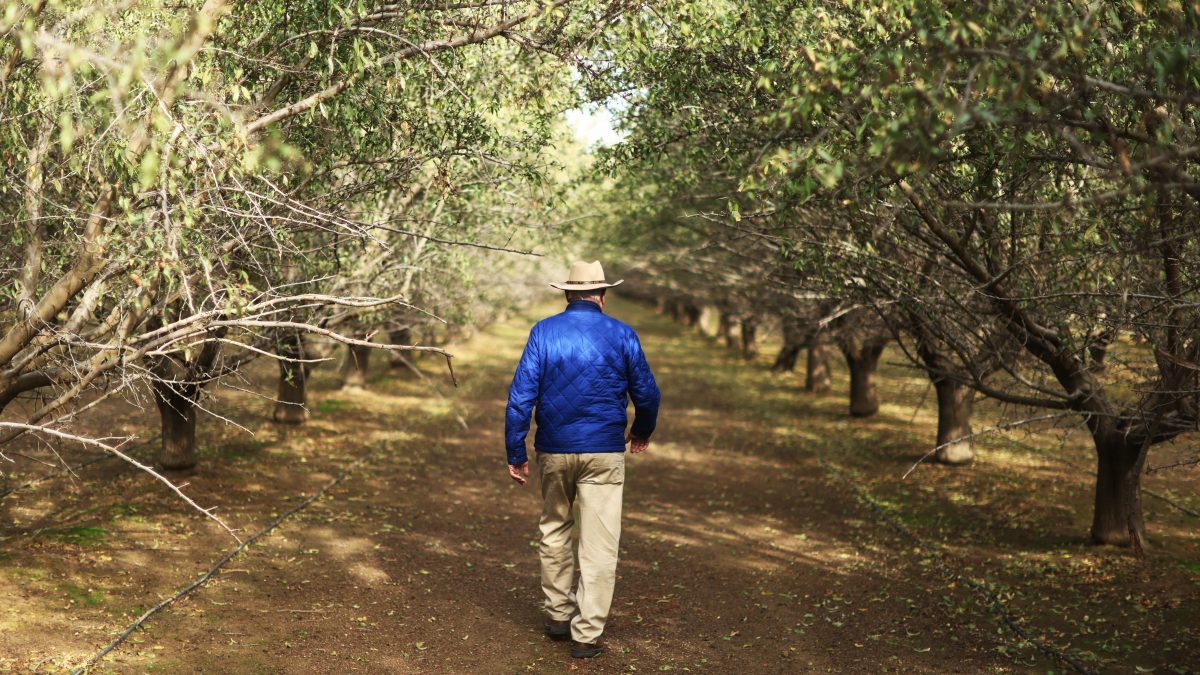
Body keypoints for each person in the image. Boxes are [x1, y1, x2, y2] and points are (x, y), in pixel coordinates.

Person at [505, 260, 661, 659]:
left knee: (555, 527)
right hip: (605, 451)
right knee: (599, 543)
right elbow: (647, 394)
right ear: (602, 296)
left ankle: (558, 615)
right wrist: (641, 431)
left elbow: (521, 397)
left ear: (567, 294)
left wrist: (516, 451)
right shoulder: (622, 333)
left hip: (554, 448)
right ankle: (586, 634)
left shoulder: (543, 331)